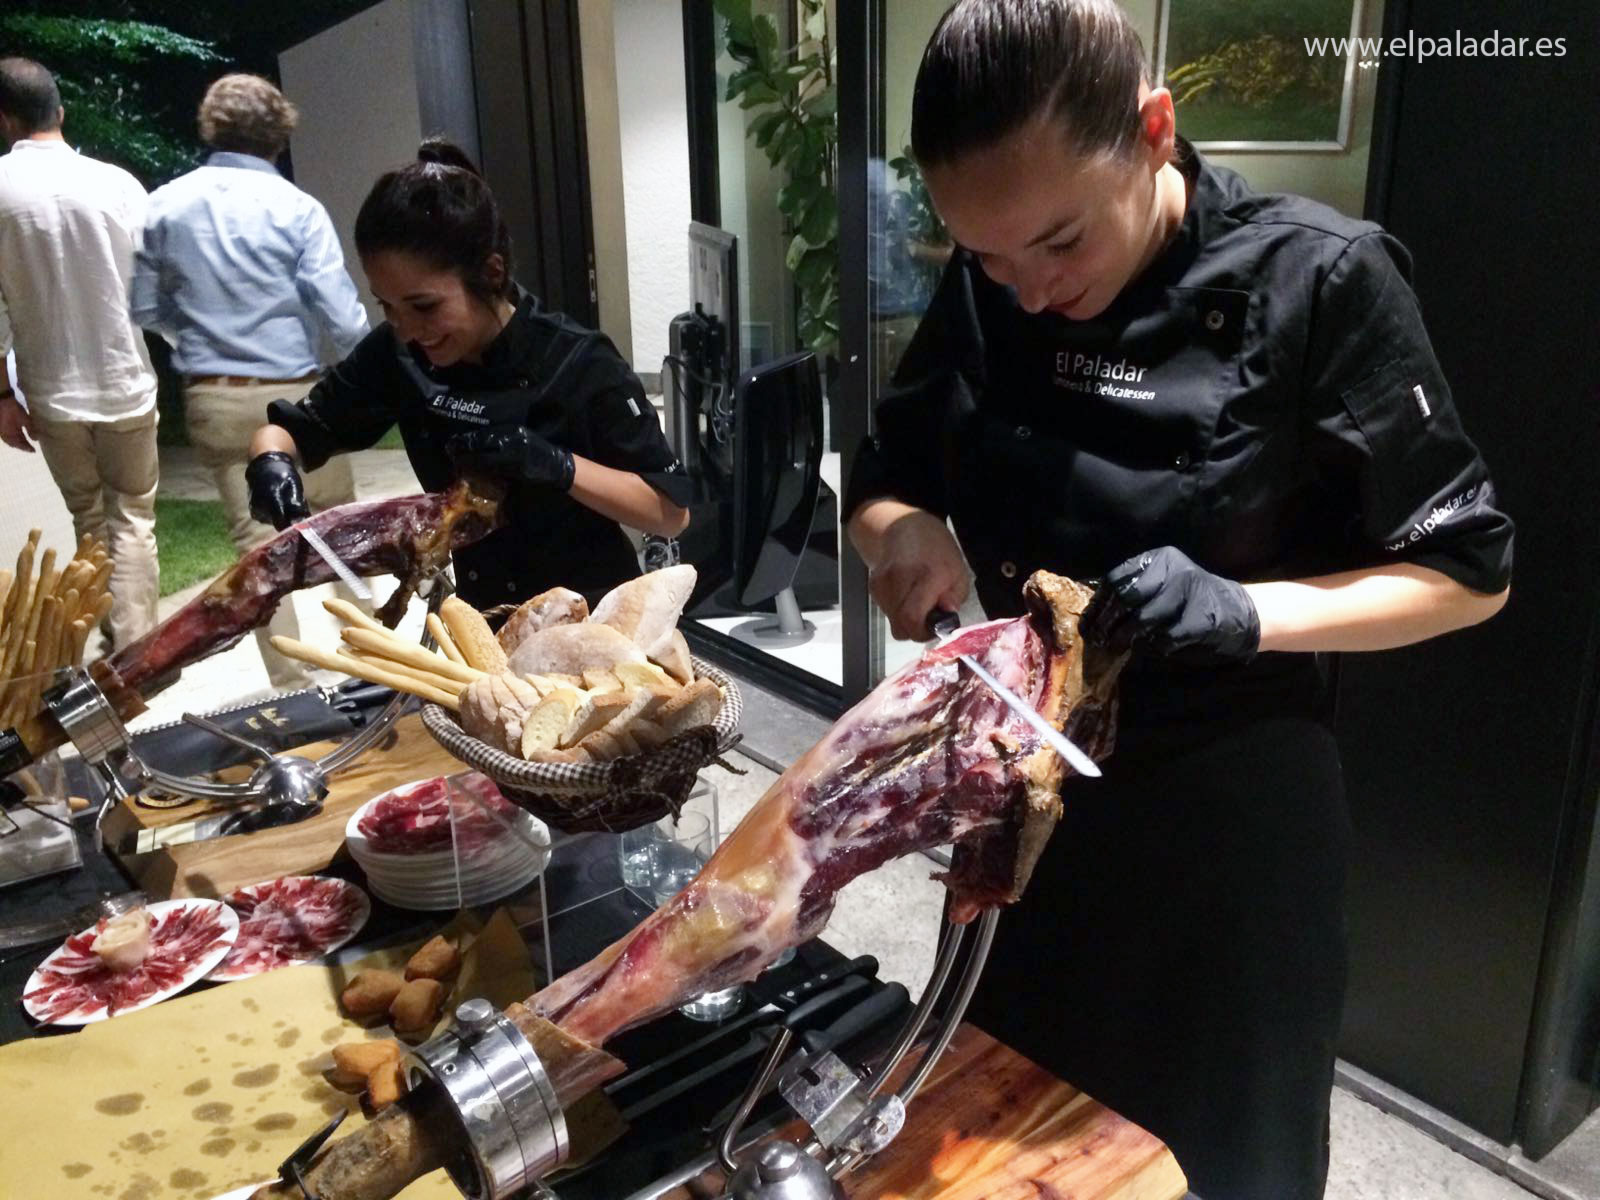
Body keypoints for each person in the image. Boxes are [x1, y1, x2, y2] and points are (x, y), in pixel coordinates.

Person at [843, 3, 1513, 1198]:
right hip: (1023, 799)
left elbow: (1467, 573)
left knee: (1220, 1158)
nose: (1030, 290)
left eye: (1058, 243)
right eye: (988, 259)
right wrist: (907, 537)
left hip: (1225, 823)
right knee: (1009, 1133)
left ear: (1154, 132)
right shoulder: (997, 280)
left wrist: (1250, 611)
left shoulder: (1321, 277)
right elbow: (886, 468)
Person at [245, 140, 690, 609]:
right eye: (386, 306)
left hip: (595, 616)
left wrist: (553, 463)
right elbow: (294, 430)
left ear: (491, 273)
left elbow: (668, 514)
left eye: (424, 306)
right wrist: (269, 462)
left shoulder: (578, 361)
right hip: (482, 618)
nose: (408, 328)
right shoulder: (399, 354)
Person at [131, 73, 370, 687]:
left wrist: (199, 340)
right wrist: (371, 376)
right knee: (343, 529)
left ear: (212, 127)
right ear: (280, 132)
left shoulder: (165, 204)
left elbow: (144, 307)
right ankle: (377, 663)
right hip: (298, 396)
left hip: (215, 392)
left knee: (255, 551)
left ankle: (293, 693)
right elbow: (340, 314)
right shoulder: (296, 208)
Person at [0, 57, 160, 649]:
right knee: (134, 517)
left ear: (4, 119)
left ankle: (110, 646)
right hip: (125, 382)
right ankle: (140, 652)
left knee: (90, 520)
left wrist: (1, 396)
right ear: (59, 112)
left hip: (51, 393)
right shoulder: (117, 183)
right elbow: (155, 287)